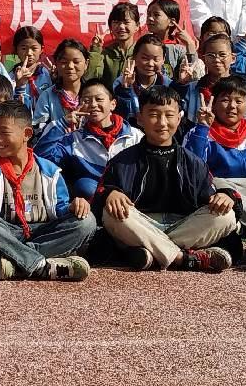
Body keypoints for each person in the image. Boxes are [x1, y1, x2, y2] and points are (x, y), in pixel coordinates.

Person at [94, 86, 235, 273]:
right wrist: (110, 194)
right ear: (140, 118)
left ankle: (152, 251)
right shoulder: (122, 161)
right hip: (140, 223)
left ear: (179, 118)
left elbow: (208, 199)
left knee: (226, 216)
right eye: (154, 114)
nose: (162, 123)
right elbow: (99, 198)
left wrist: (225, 196)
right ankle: (182, 258)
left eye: (169, 115)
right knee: (111, 214)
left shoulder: (193, 162)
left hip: (182, 226)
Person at [0, 99, 96, 281]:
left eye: (4, 132)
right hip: (6, 233)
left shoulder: (50, 172)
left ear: (27, 134)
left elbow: (60, 210)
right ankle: (41, 265)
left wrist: (74, 206)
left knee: (87, 221)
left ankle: (18, 262)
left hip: (41, 231)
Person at [182, 75, 246, 235]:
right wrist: (203, 127)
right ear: (214, 104)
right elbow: (192, 168)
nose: (232, 106)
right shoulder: (198, 133)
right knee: (219, 185)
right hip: (222, 189)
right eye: (225, 100)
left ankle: (241, 224)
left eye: (239, 101)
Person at [84, 2, 141, 88]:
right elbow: (90, 78)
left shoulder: (142, 52)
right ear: (110, 26)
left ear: (137, 26)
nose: (121, 26)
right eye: (116, 22)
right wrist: (95, 50)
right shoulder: (105, 54)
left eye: (126, 22)